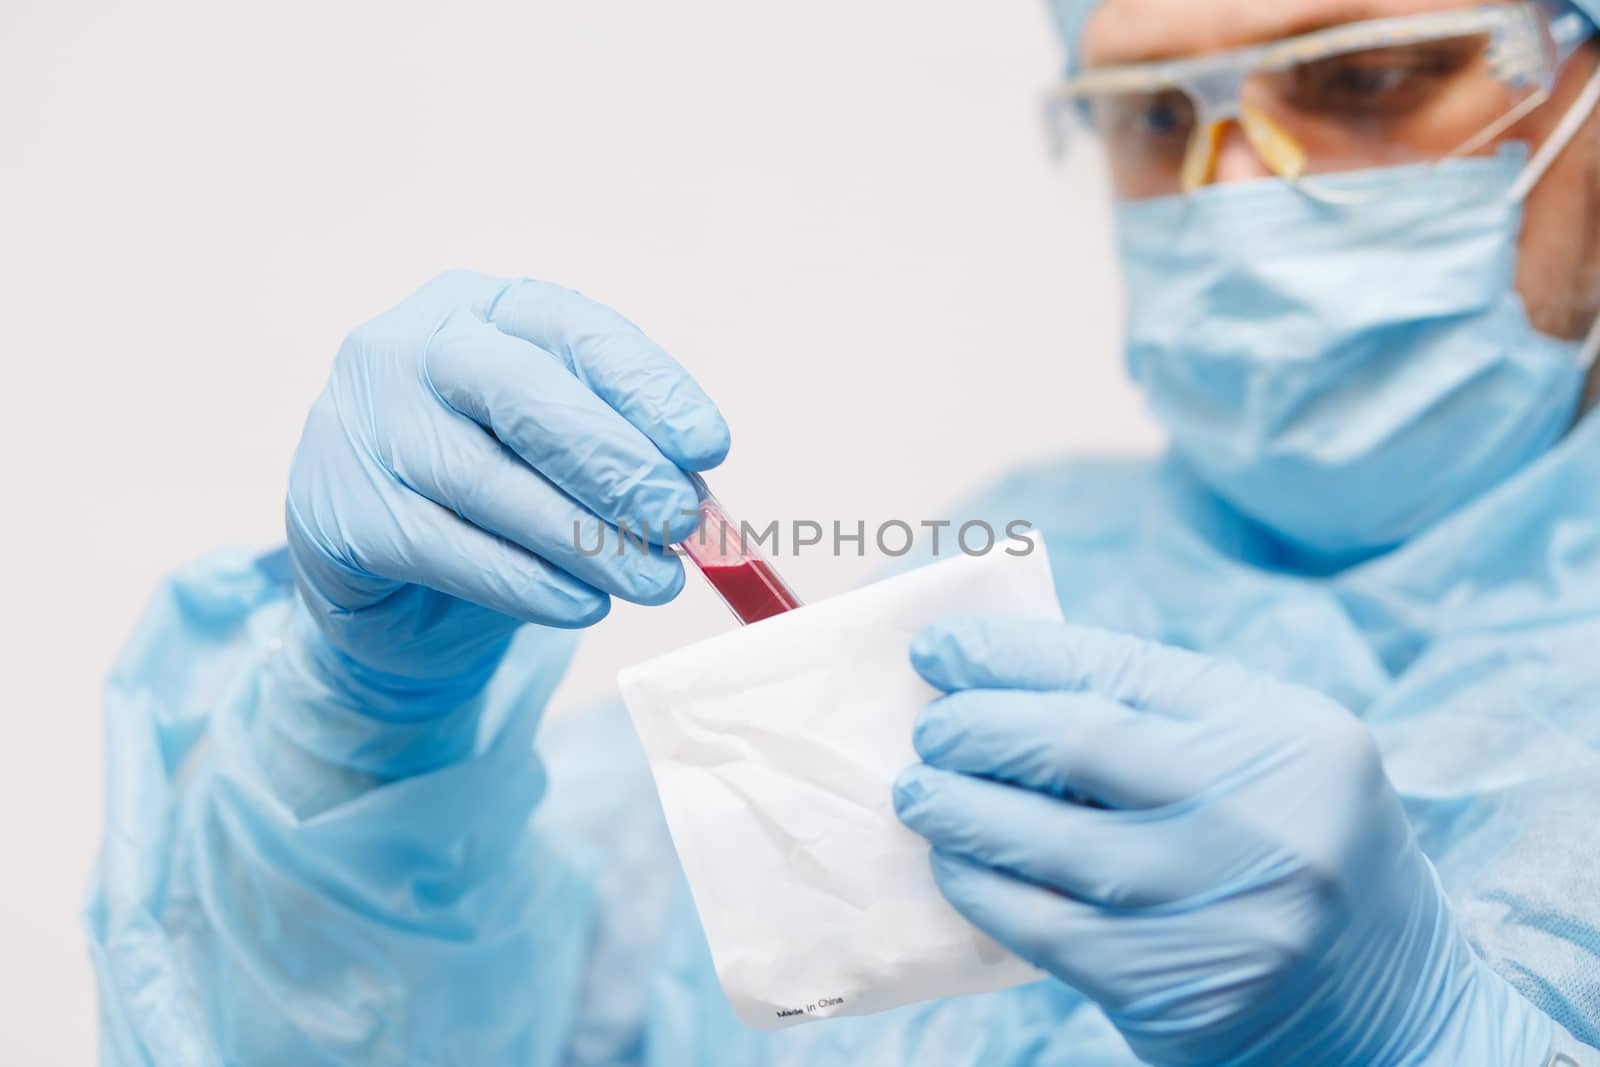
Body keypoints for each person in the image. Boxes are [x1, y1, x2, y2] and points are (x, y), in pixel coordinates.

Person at [86, 0, 1600, 1063]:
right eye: (1149, 113)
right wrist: (369, 742)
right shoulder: (1021, 564)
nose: (1240, 191)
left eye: (1365, 77)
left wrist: (1429, 1042)